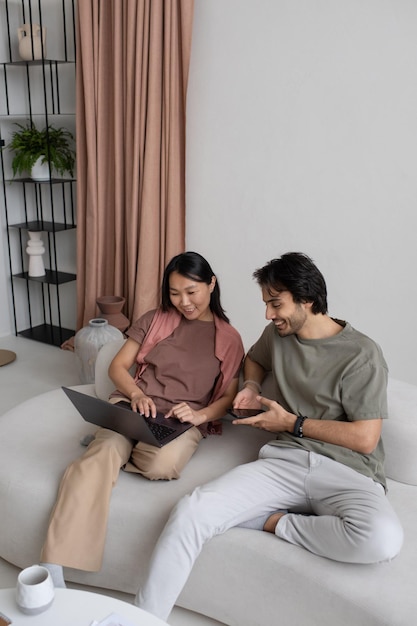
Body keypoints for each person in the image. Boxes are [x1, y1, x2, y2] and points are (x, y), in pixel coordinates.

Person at [135, 251, 404, 621]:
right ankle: (139, 619)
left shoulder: (361, 354)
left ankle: (274, 521)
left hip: (350, 473)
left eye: (276, 304)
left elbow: (365, 439)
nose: (268, 314)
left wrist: (291, 423)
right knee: (191, 511)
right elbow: (254, 359)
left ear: (307, 299)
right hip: (286, 462)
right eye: (266, 304)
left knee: (383, 539)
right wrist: (249, 385)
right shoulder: (276, 335)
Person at [40, 251, 244, 587]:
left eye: (191, 292)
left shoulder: (230, 338)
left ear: (211, 284)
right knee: (100, 457)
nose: (183, 302)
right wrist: (136, 394)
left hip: (183, 419)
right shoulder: (155, 319)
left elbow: (227, 398)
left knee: (161, 465)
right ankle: (56, 564)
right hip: (135, 405)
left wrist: (199, 415)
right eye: (175, 293)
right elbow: (117, 367)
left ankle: (115, 442)